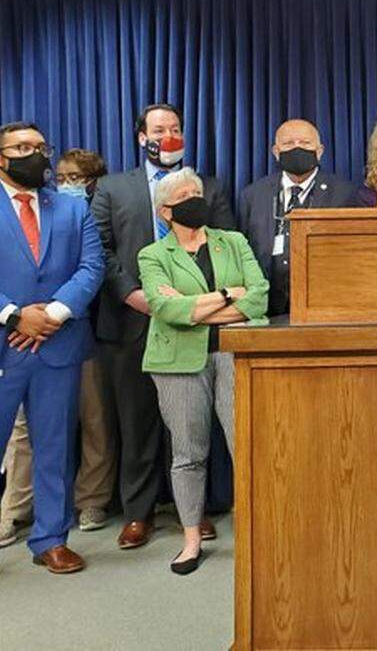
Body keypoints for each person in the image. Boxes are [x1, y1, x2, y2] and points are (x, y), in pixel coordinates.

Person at [0, 122, 104, 594]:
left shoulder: (72, 208)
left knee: (54, 448)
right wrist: (13, 316)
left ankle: (51, 538)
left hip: (57, 344)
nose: (36, 154)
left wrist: (50, 314)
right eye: (23, 147)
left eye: (40, 147)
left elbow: (91, 268)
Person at [91, 104, 234, 550]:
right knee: (136, 422)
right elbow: (101, 249)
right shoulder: (113, 188)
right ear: (141, 138)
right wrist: (135, 295)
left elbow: (227, 246)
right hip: (132, 320)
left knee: (189, 425)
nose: (168, 136)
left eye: (175, 129)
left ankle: (191, 511)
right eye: (159, 130)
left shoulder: (208, 188)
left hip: (195, 324)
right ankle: (138, 512)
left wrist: (192, 305)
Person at [138, 168, 268, 574]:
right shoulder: (153, 255)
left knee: (245, 448)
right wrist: (228, 296)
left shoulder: (234, 241)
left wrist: (197, 309)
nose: (196, 199)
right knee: (189, 454)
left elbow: (260, 297)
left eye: (198, 191)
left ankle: (254, 534)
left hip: (235, 355)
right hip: (177, 362)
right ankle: (191, 539)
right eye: (184, 195)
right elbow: (167, 310)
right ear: (165, 211)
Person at [0, 148, 114, 546]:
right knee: (23, 430)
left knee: (92, 419)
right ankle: (14, 509)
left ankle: (92, 500)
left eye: (76, 177)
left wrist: (58, 312)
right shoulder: (30, 209)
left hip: (82, 330)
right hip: (24, 331)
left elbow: (93, 266)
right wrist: (31, 317)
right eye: (61, 175)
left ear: (93, 180)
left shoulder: (86, 213)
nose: (67, 183)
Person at [239, 119, 355, 317]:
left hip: (326, 308)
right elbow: (242, 250)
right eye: (288, 144)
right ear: (276, 152)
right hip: (266, 310)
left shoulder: (345, 194)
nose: (297, 148)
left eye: (305, 143)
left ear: (319, 151)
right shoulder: (252, 194)